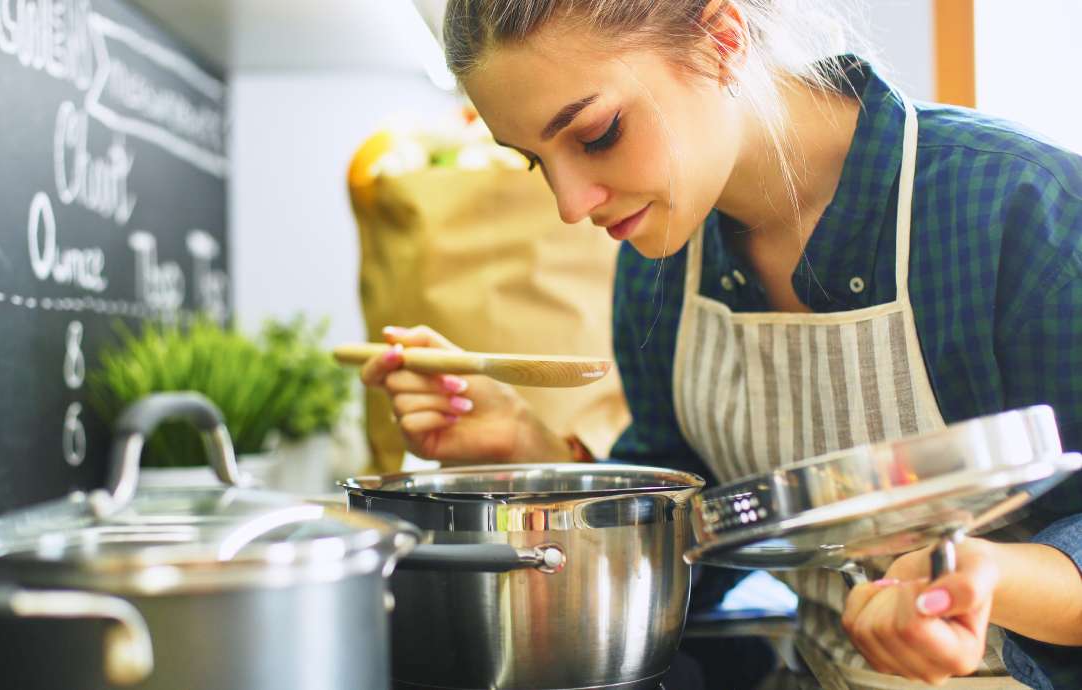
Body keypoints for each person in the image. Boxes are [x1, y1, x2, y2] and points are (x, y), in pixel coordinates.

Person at [359, 1, 1082, 688]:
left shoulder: (1019, 208)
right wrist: (525, 447)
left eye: (598, 133)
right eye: (534, 161)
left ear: (722, 40)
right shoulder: (662, 268)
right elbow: (696, 547)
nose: (571, 204)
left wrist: (985, 578)